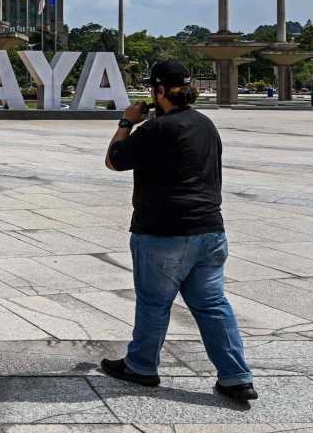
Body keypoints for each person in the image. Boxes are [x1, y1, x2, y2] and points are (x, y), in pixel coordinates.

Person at [102, 60, 256, 402]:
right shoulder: (205, 124)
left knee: (155, 303)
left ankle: (141, 366)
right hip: (210, 232)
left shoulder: (156, 130)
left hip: (163, 232)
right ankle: (236, 376)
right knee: (212, 304)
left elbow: (114, 159)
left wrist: (127, 121)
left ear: (159, 91)